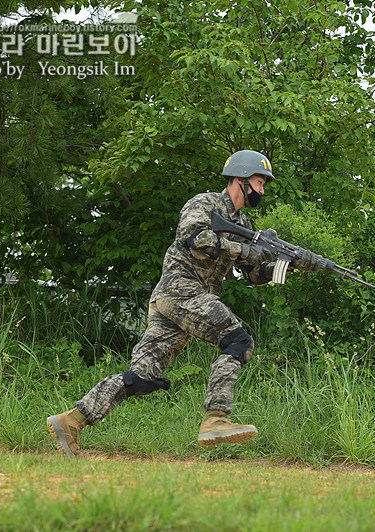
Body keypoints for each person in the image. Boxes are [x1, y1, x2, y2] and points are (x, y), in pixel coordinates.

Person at [46, 150, 318, 457]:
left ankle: (71, 421)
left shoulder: (244, 222)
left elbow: (254, 275)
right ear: (240, 180)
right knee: (239, 342)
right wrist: (242, 248)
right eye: (259, 182)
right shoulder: (204, 203)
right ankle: (216, 417)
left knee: (142, 378)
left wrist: (291, 265)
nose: (262, 190)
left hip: (179, 302)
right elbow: (196, 239)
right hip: (181, 292)